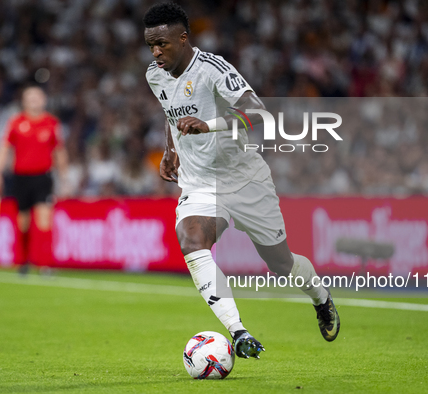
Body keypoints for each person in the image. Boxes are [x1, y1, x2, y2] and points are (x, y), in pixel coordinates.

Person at [143, 2, 339, 359]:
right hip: (199, 181)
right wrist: (170, 148)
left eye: (162, 44)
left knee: (280, 264)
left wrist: (210, 125)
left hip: (244, 178)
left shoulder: (214, 70)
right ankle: (238, 332)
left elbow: (259, 114)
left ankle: (321, 298)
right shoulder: (155, 74)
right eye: (151, 46)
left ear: (183, 38)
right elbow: (171, 114)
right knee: (191, 240)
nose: (156, 52)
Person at [0, 86, 69, 274]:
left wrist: (64, 177)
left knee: (44, 220)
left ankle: (45, 264)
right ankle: (23, 261)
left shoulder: (51, 123)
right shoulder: (15, 122)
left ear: (44, 100)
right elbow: (4, 149)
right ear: (24, 101)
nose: (34, 99)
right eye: (30, 96)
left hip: (43, 177)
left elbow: (59, 151)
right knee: (23, 222)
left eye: (37, 96)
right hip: (21, 177)